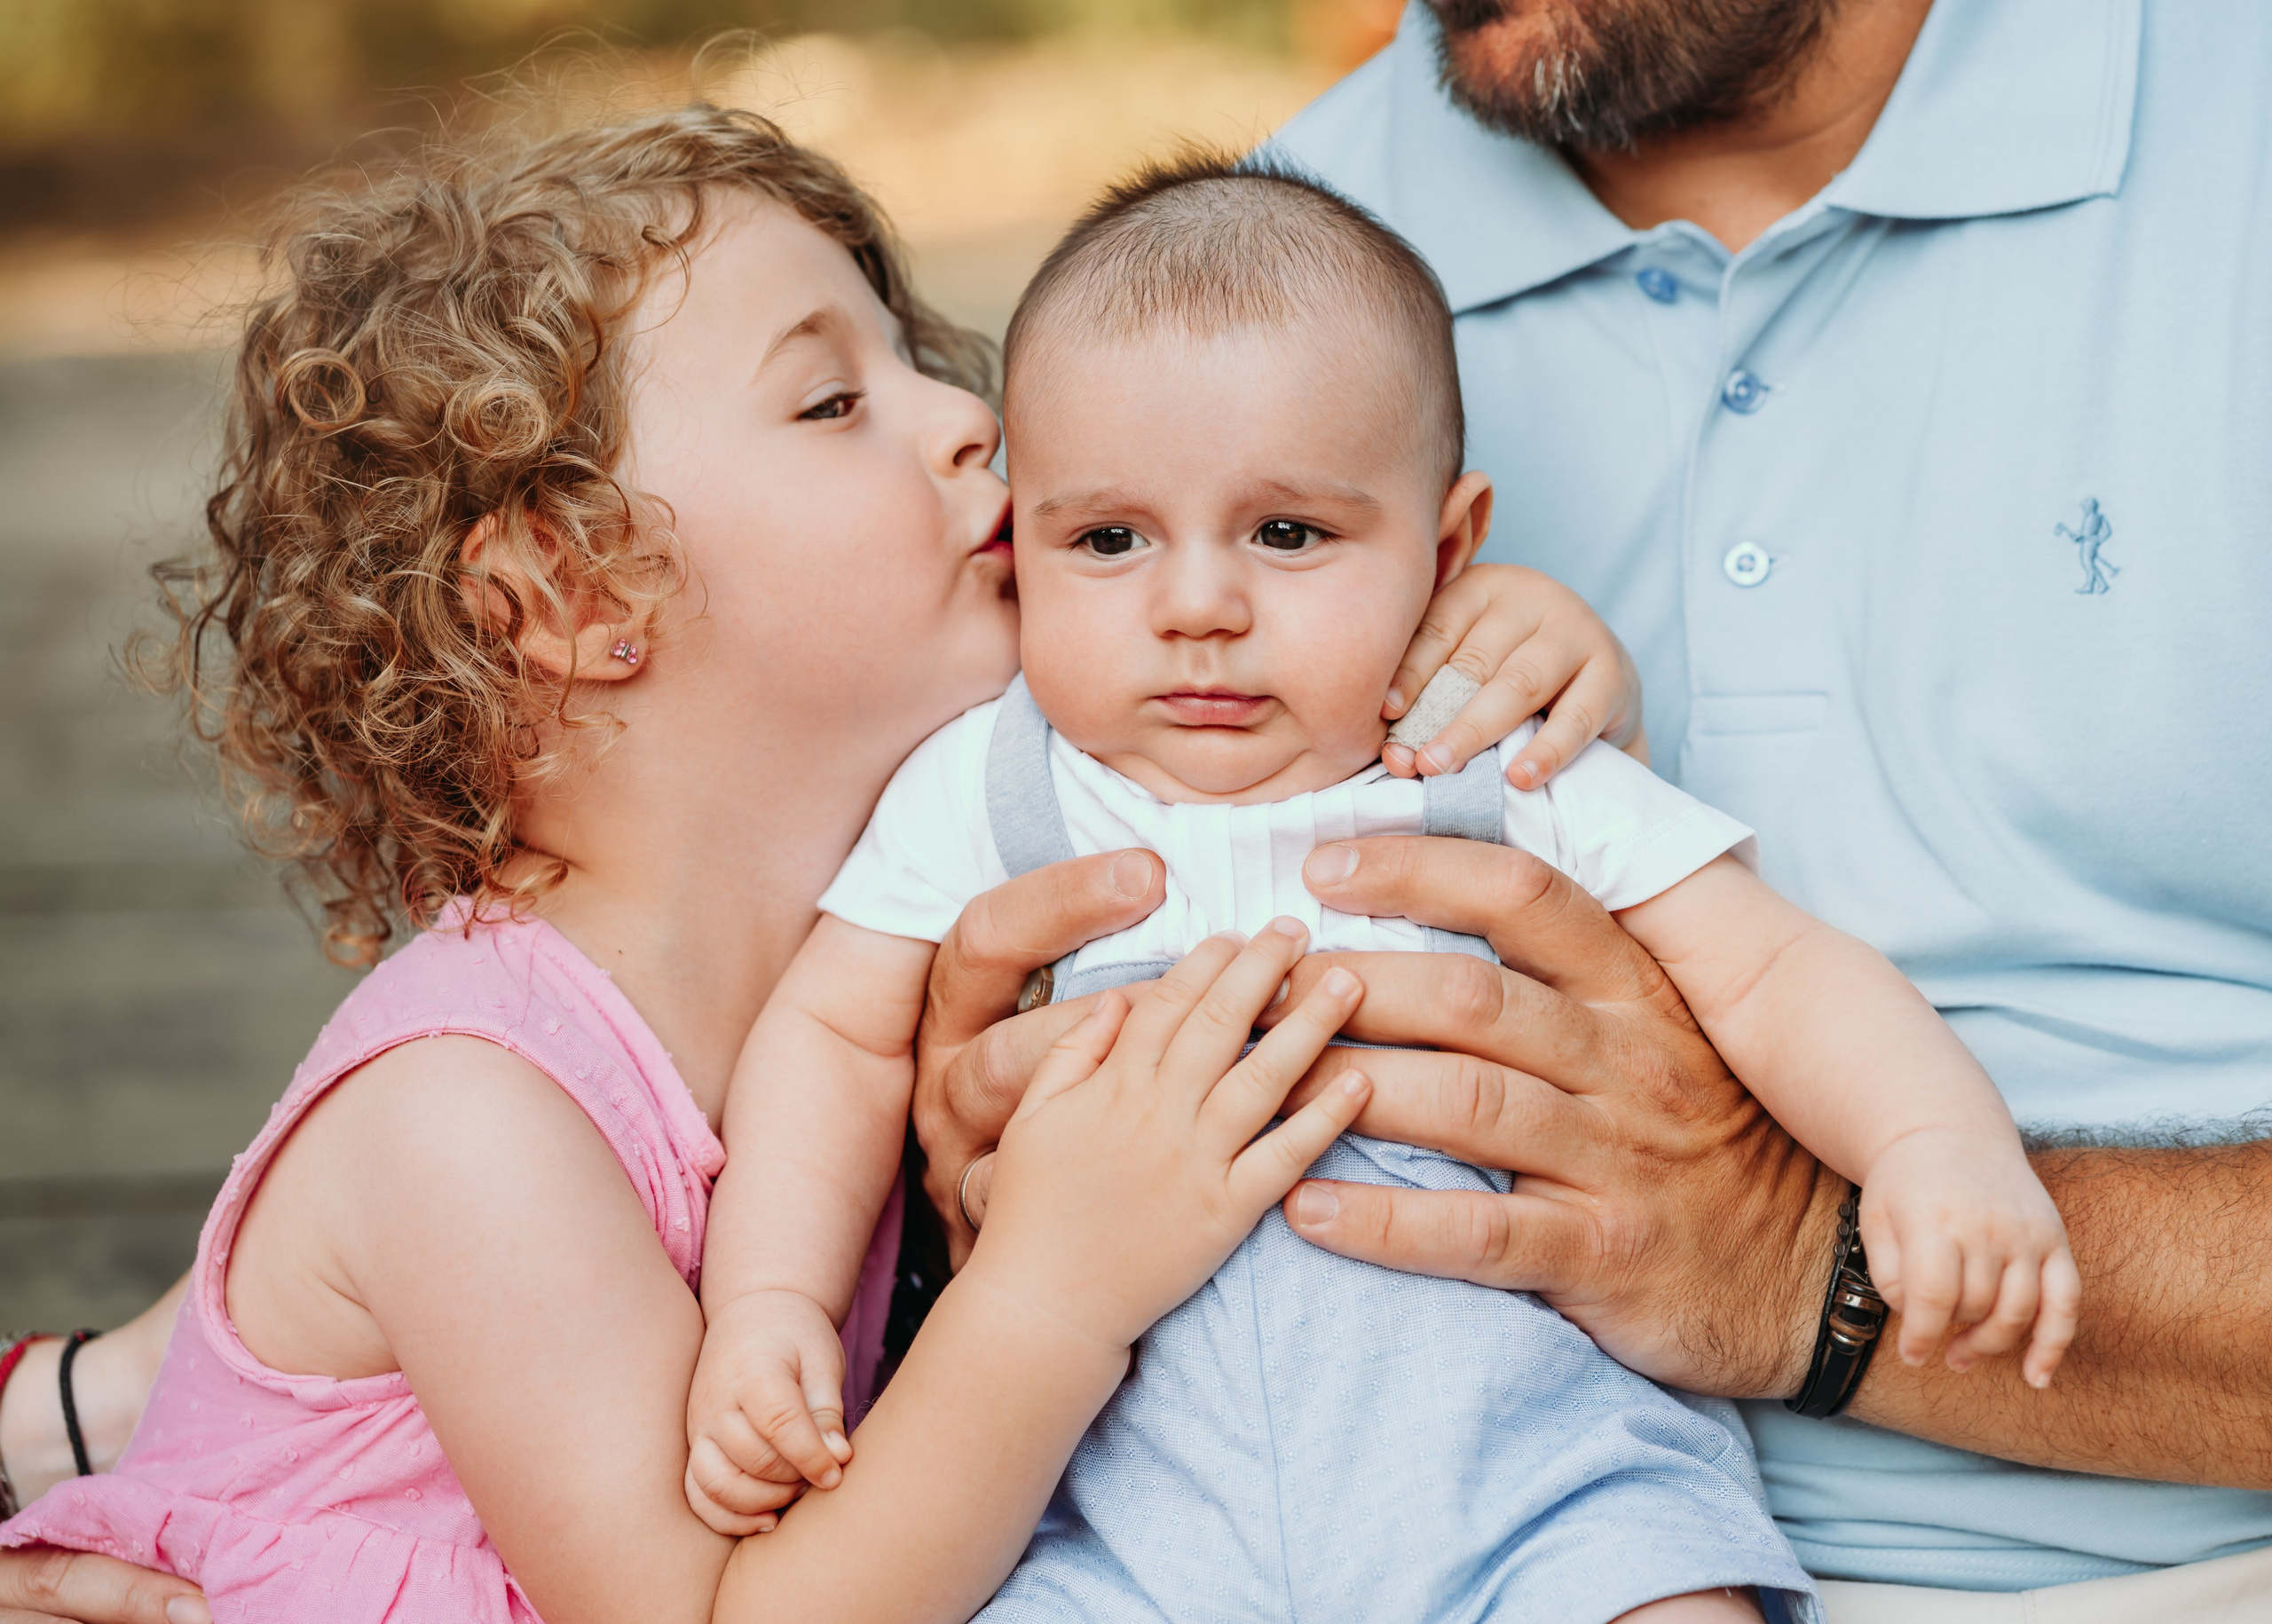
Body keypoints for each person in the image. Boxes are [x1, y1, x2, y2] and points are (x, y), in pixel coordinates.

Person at [917, 2, 2272, 1619]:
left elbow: (1768, 972)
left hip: (2052, 1548)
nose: (1200, 595)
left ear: (1451, 531)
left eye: (1285, 535)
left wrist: (1807, 1256)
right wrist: (940, 1155)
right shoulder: (1245, 283)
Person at [0, 103, 1399, 1621]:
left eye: (912, 360)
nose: (968, 417)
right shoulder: (470, 1116)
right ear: (563, 592)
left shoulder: (865, 971)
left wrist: (1481, 646)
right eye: (828, 401)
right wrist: (1061, 1284)